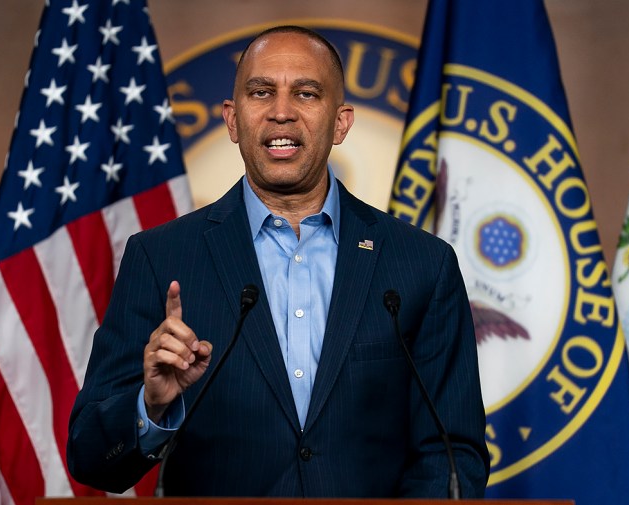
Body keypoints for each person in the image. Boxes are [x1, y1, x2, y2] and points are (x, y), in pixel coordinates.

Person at [67, 25, 489, 498]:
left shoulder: (422, 264)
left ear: (341, 123)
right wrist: (151, 406)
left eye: (306, 94)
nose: (281, 112)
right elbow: (89, 455)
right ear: (232, 120)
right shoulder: (160, 257)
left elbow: (453, 452)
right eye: (261, 92)